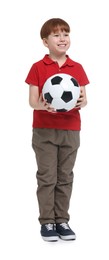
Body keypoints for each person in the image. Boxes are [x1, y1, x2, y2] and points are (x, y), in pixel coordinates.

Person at [25, 18, 89, 242]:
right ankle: (47, 223)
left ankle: (62, 219)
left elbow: (83, 99)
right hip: (44, 130)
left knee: (65, 177)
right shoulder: (38, 67)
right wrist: (42, 105)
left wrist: (81, 101)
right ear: (45, 41)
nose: (62, 38)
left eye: (66, 34)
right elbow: (32, 101)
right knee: (47, 177)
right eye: (56, 35)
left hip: (71, 129)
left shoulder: (77, 68)